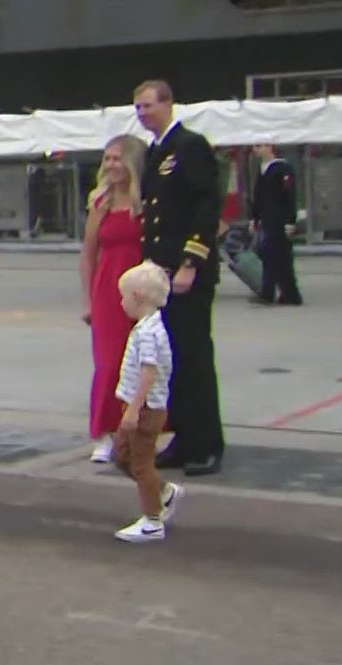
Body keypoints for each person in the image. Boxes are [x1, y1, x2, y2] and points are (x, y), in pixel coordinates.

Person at [134, 79, 224, 476]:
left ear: (169, 104)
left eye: (148, 105)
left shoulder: (190, 146)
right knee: (173, 363)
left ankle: (207, 444)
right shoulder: (156, 152)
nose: (142, 113)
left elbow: (207, 205)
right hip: (161, 276)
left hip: (185, 273)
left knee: (195, 359)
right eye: (137, 107)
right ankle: (184, 439)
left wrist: (191, 261)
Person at [79, 134, 147, 463]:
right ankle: (104, 433)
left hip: (143, 291)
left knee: (143, 363)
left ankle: (139, 432)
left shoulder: (145, 204)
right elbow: (88, 254)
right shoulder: (100, 203)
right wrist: (87, 300)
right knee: (108, 365)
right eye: (106, 159)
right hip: (107, 292)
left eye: (117, 158)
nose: (111, 165)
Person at [109, 261, 185, 543]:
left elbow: (148, 373)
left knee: (140, 463)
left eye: (124, 296)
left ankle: (153, 521)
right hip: (137, 406)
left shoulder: (148, 333)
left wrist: (133, 410)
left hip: (144, 409)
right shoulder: (146, 327)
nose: (121, 302)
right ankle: (163, 492)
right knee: (121, 455)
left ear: (137, 297)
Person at [251, 143, 302, 305]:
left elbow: (289, 196)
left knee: (279, 256)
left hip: (280, 218)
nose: (256, 149)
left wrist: (290, 220)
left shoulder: (282, 168)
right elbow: (258, 196)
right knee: (270, 255)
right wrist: (255, 218)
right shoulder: (262, 169)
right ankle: (276, 292)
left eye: (260, 146)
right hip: (267, 218)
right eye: (255, 146)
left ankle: (284, 293)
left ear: (270, 147)